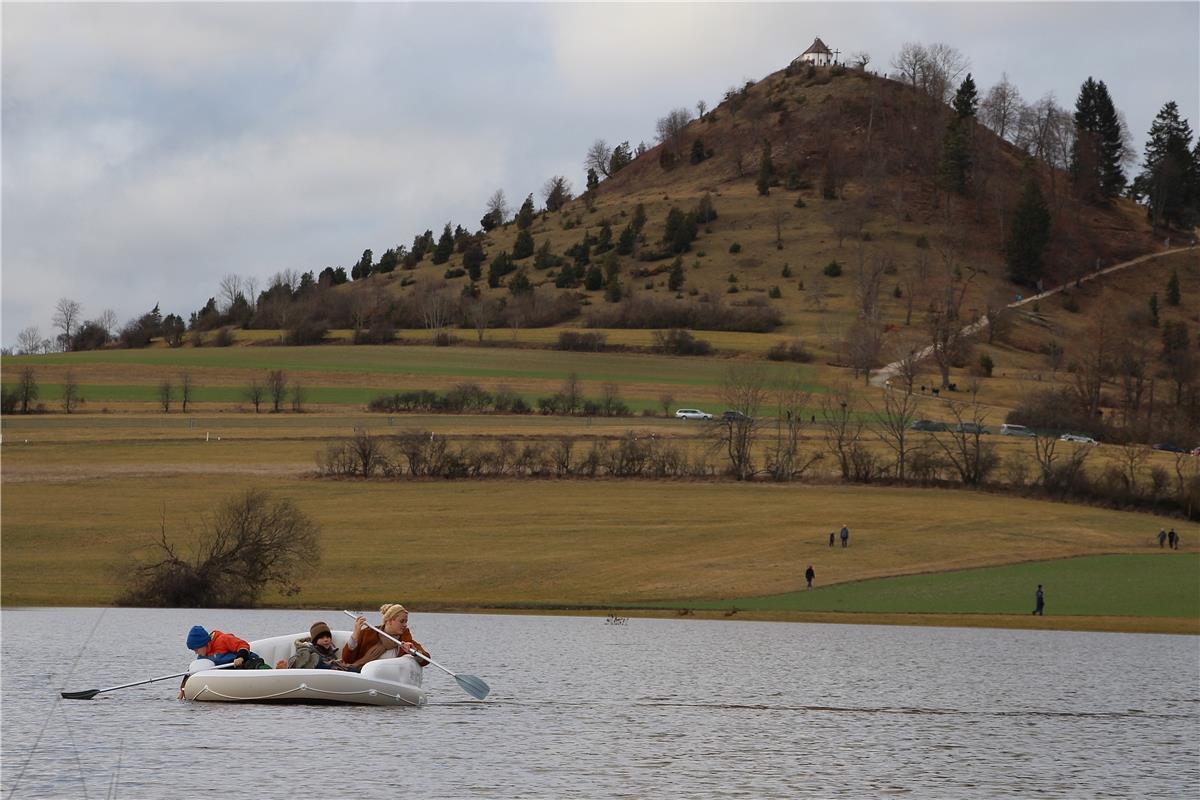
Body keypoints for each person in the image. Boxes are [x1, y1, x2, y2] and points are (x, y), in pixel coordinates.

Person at [179, 625, 264, 699]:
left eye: (196, 649)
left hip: (245, 661)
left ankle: (268, 671)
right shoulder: (202, 656)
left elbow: (243, 645)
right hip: (230, 671)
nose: (195, 652)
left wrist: (240, 657)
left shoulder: (223, 639)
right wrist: (183, 689)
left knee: (251, 664)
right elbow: (191, 671)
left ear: (204, 644)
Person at [341, 603, 430, 672]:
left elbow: (426, 659)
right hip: (359, 671)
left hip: (383, 679)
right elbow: (347, 659)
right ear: (389, 621)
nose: (405, 625)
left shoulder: (405, 640)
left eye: (406, 622)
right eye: (402, 621)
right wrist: (356, 634)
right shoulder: (368, 633)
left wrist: (413, 651)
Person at [284, 621, 348, 670]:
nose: (326, 640)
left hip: (328, 675)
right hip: (312, 673)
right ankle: (284, 668)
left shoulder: (331, 652)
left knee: (352, 669)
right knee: (316, 658)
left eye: (328, 637)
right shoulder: (307, 649)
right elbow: (295, 660)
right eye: (321, 638)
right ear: (315, 641)